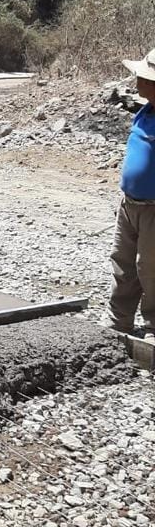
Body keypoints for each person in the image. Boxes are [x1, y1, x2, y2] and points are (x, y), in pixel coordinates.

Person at [105, 48, 155, 337]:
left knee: (151, 267)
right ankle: (118, 319)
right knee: (122, 262)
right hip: (129, 204)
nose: (137, 80)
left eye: (143, 78)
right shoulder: (145, 110)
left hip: (152, 208)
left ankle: (153, 324)